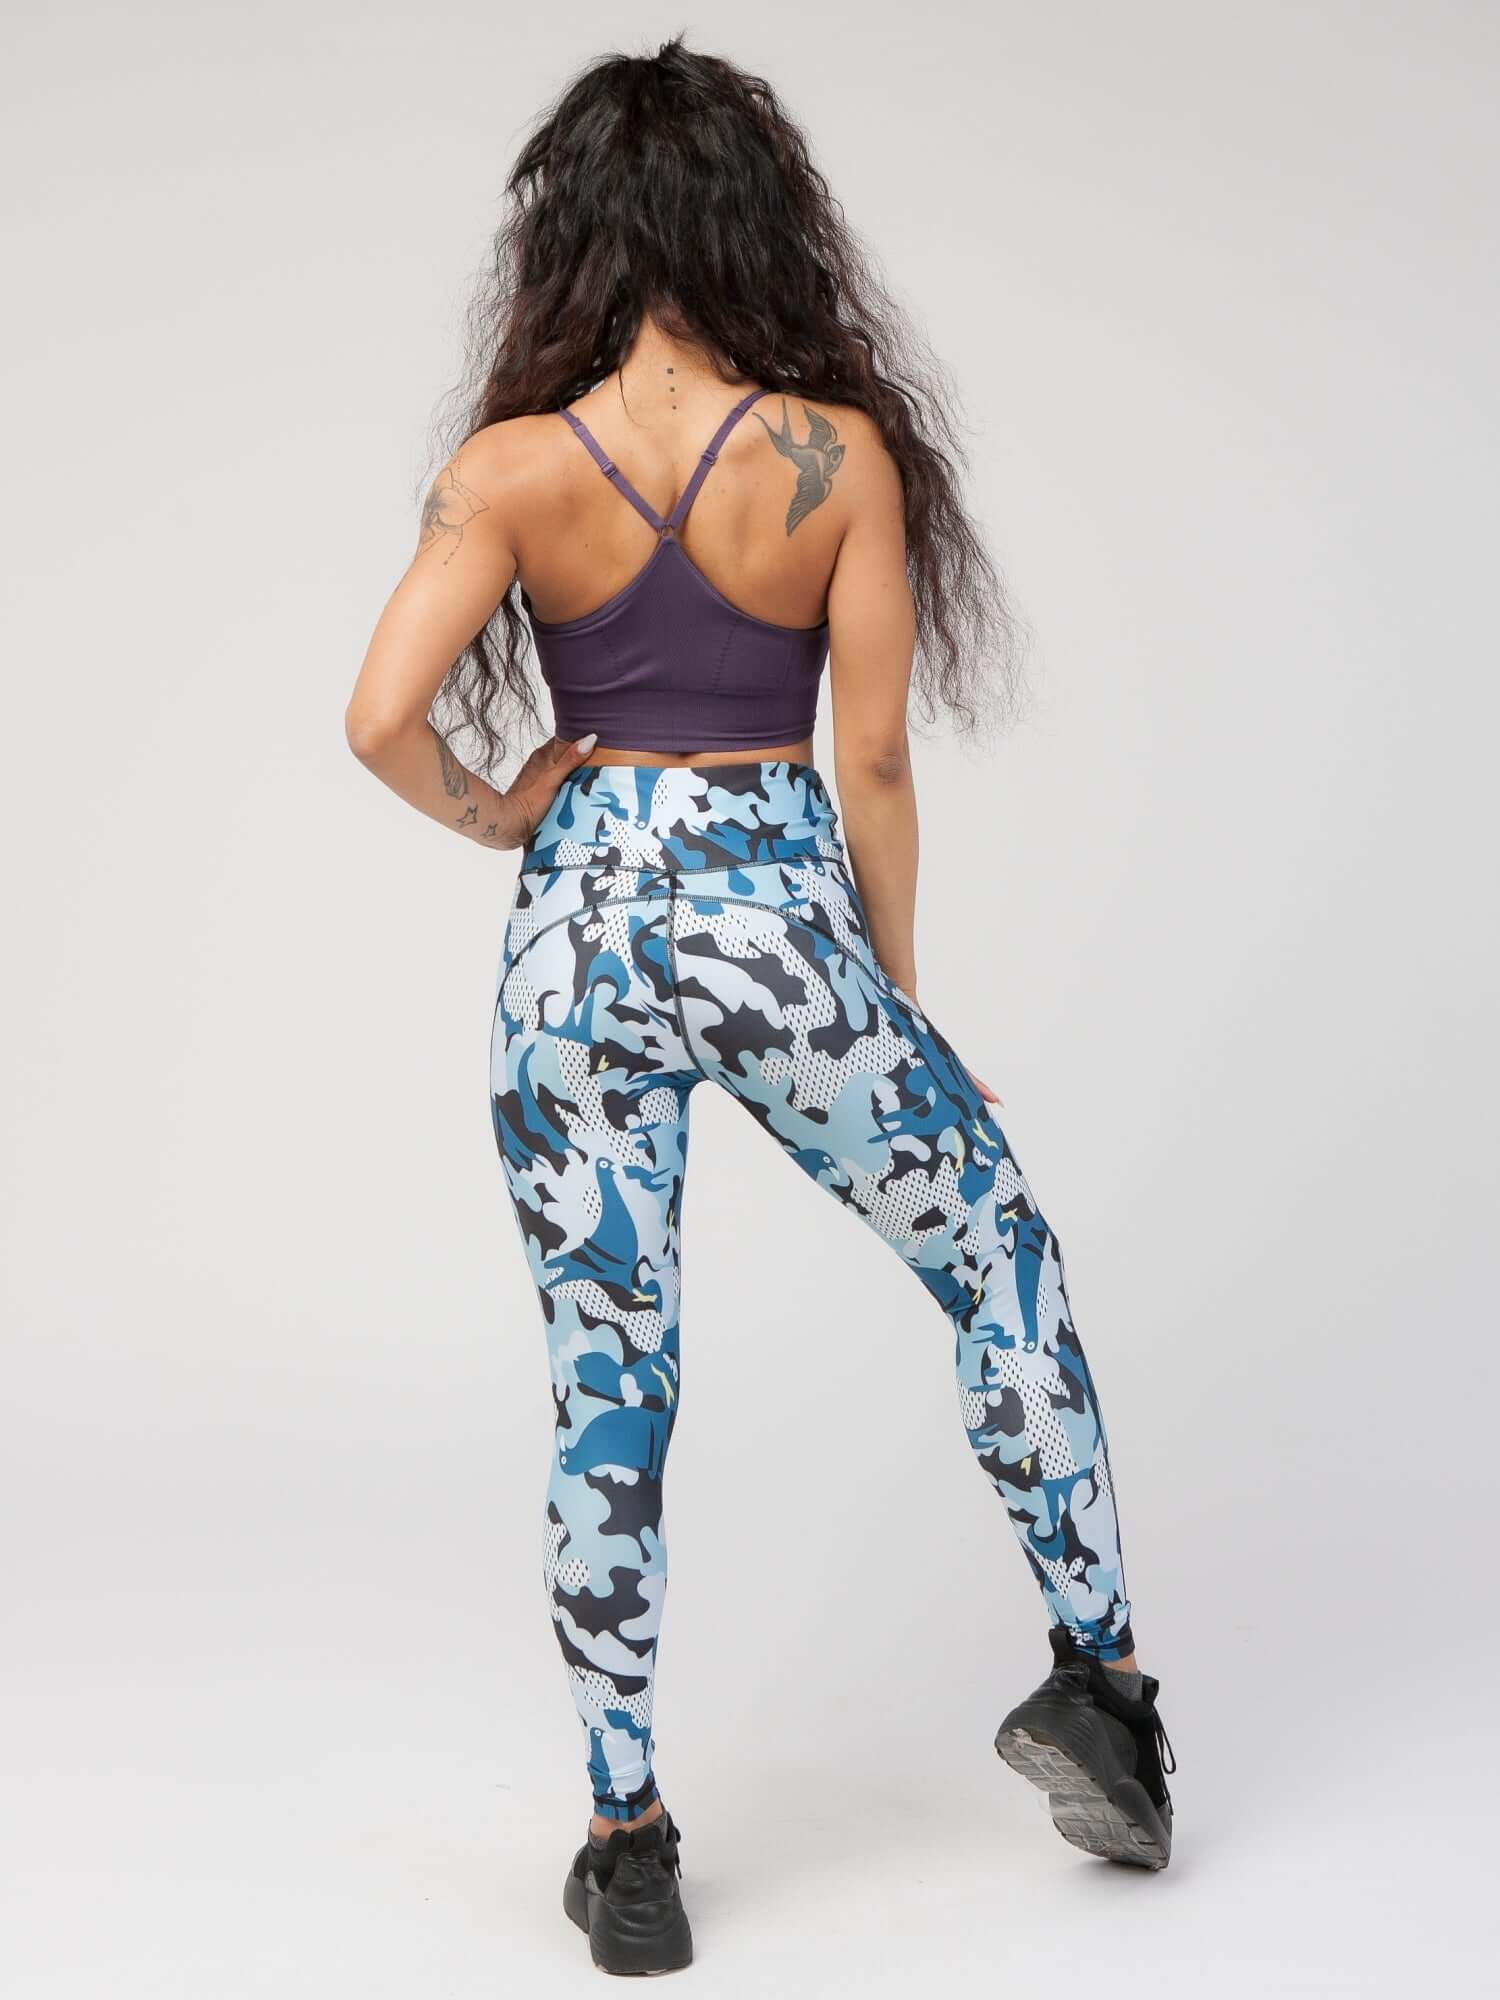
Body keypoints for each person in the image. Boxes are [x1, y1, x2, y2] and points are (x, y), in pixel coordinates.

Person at [346, 33, 1176, 1977]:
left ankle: (627, 1841)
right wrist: (898, 1004)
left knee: (608, 1381)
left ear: (570, 232)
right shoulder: (834, 457)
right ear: (756, 220)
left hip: (577, 931)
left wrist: (506, 810)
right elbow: (871, 759)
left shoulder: (507, 471)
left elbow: (380, 718)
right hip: (772, 912)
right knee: (998, 1255)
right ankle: (1103, 1683)